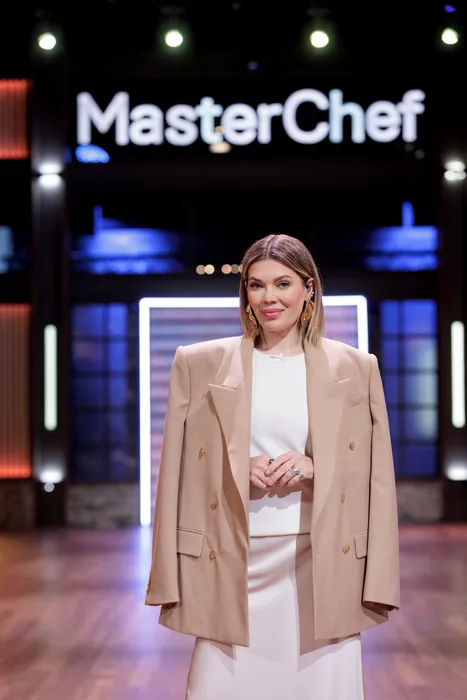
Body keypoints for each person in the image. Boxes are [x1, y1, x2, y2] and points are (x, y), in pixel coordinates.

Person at [145, 233, 400, 700]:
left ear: (308, 288)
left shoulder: (355, 367)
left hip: (320, 556)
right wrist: (236, 469)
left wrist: (315, 465)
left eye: (283, 283)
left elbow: (375, 473)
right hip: (232, 554)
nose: (269, 298)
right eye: (256, 285)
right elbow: (177, 472)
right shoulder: (198, 363)